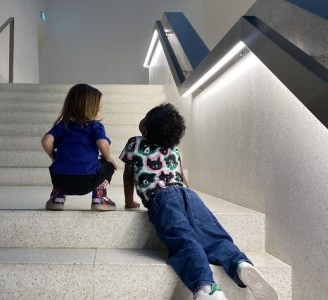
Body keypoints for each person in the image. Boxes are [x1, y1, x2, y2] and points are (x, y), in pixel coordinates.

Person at [119, 103, 278, 300]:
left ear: (145, 128)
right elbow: (181, 175)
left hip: (161, 197)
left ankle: (206, 286)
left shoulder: (135, 143)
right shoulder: (173, 149)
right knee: (214, 235)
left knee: (183, 237)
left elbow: (127, 175)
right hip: (188, 195)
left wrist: (128, 201)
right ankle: (239, 263)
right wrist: (188, 194)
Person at [41, 83, 118, 211]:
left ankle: (57, 198)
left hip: (61, 181)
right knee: (108, 165)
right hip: (88, 180)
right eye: (99, 109)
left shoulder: (62, 126)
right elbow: (102, 143)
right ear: (89, 109)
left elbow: (46, 141)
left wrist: (54, 157)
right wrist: (108, 157)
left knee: (60, 165)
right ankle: (99, 198)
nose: (101, 112)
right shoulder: (95, 126)